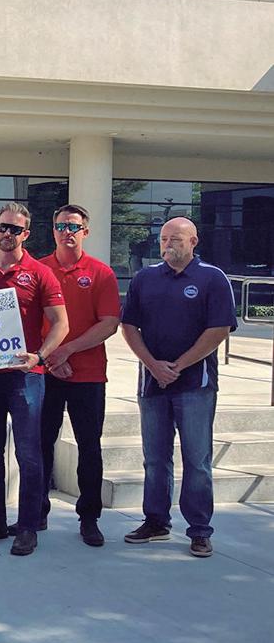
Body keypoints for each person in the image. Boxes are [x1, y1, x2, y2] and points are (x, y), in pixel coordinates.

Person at [120, 216, 235, 558]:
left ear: (193, 242)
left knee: (196, 460)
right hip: (152, 383)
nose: (167, 244)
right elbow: (129, 326)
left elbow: (219, 329)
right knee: (155, 459)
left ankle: (199, 530)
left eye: (176, 239)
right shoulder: (145, 278)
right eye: (164, 239)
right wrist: (153, 365)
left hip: (195, 385)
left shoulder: (212, 278)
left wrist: (179, 365)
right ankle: (156, 521)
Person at [0, 203, 69, 556]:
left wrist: (40, 356)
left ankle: (29, 526)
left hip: (26, 376)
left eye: (15, 230)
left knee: (29, 453)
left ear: (26, 234)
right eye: (3, 227)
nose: (8, 234)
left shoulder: (40, 273)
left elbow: (61, 323)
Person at [38, 204, 121, 547]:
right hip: (45, 372)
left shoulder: (101, 273)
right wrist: (51, 358)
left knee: (89, 446)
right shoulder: (39, 269)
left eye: (73, 226)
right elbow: (27, 321)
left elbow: (109, 323)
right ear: (53, 231)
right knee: (40, 444)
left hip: (88, 375)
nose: (66, 232)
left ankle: (89, 517)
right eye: (61, 226)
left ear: (85, 231)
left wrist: (67, 350)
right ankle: (36, 512)